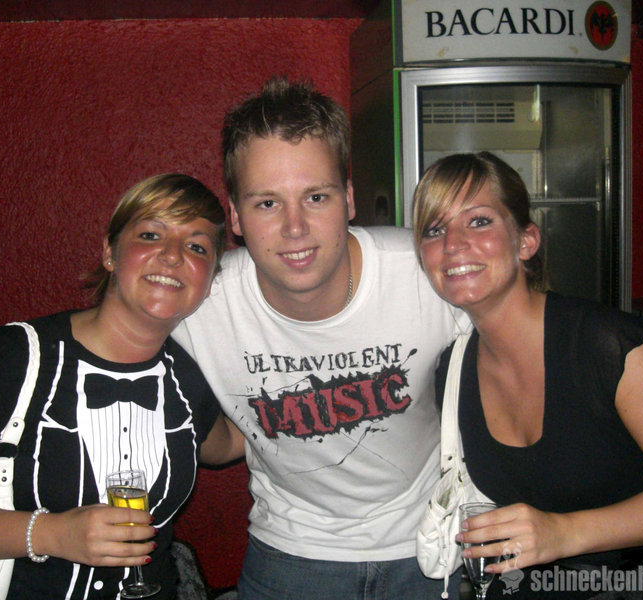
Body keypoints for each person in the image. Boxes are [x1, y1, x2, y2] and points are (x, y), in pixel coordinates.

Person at [171, 76, 470, 600]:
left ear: (348, 199)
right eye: (267, 203)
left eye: (315, 196)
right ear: (235, 216)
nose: (295, 227)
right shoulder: (201, 303)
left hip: (429, 548)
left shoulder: (423, 274)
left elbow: (531, 343)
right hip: (289, 554)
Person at [0, 173, 245, 599]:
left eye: (197, 247)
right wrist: (52, 533)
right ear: (109, 252)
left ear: (210, 280)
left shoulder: (187, 376)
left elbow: (225, 444)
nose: (173, 255)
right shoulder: (12, 359)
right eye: (150, 234)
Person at [412, 151, 643, 598]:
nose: (453, 243)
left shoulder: (607, 347)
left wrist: (565, 533)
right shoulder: (452, 370)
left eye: (479, 221)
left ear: (526, 241)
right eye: (435, 230)